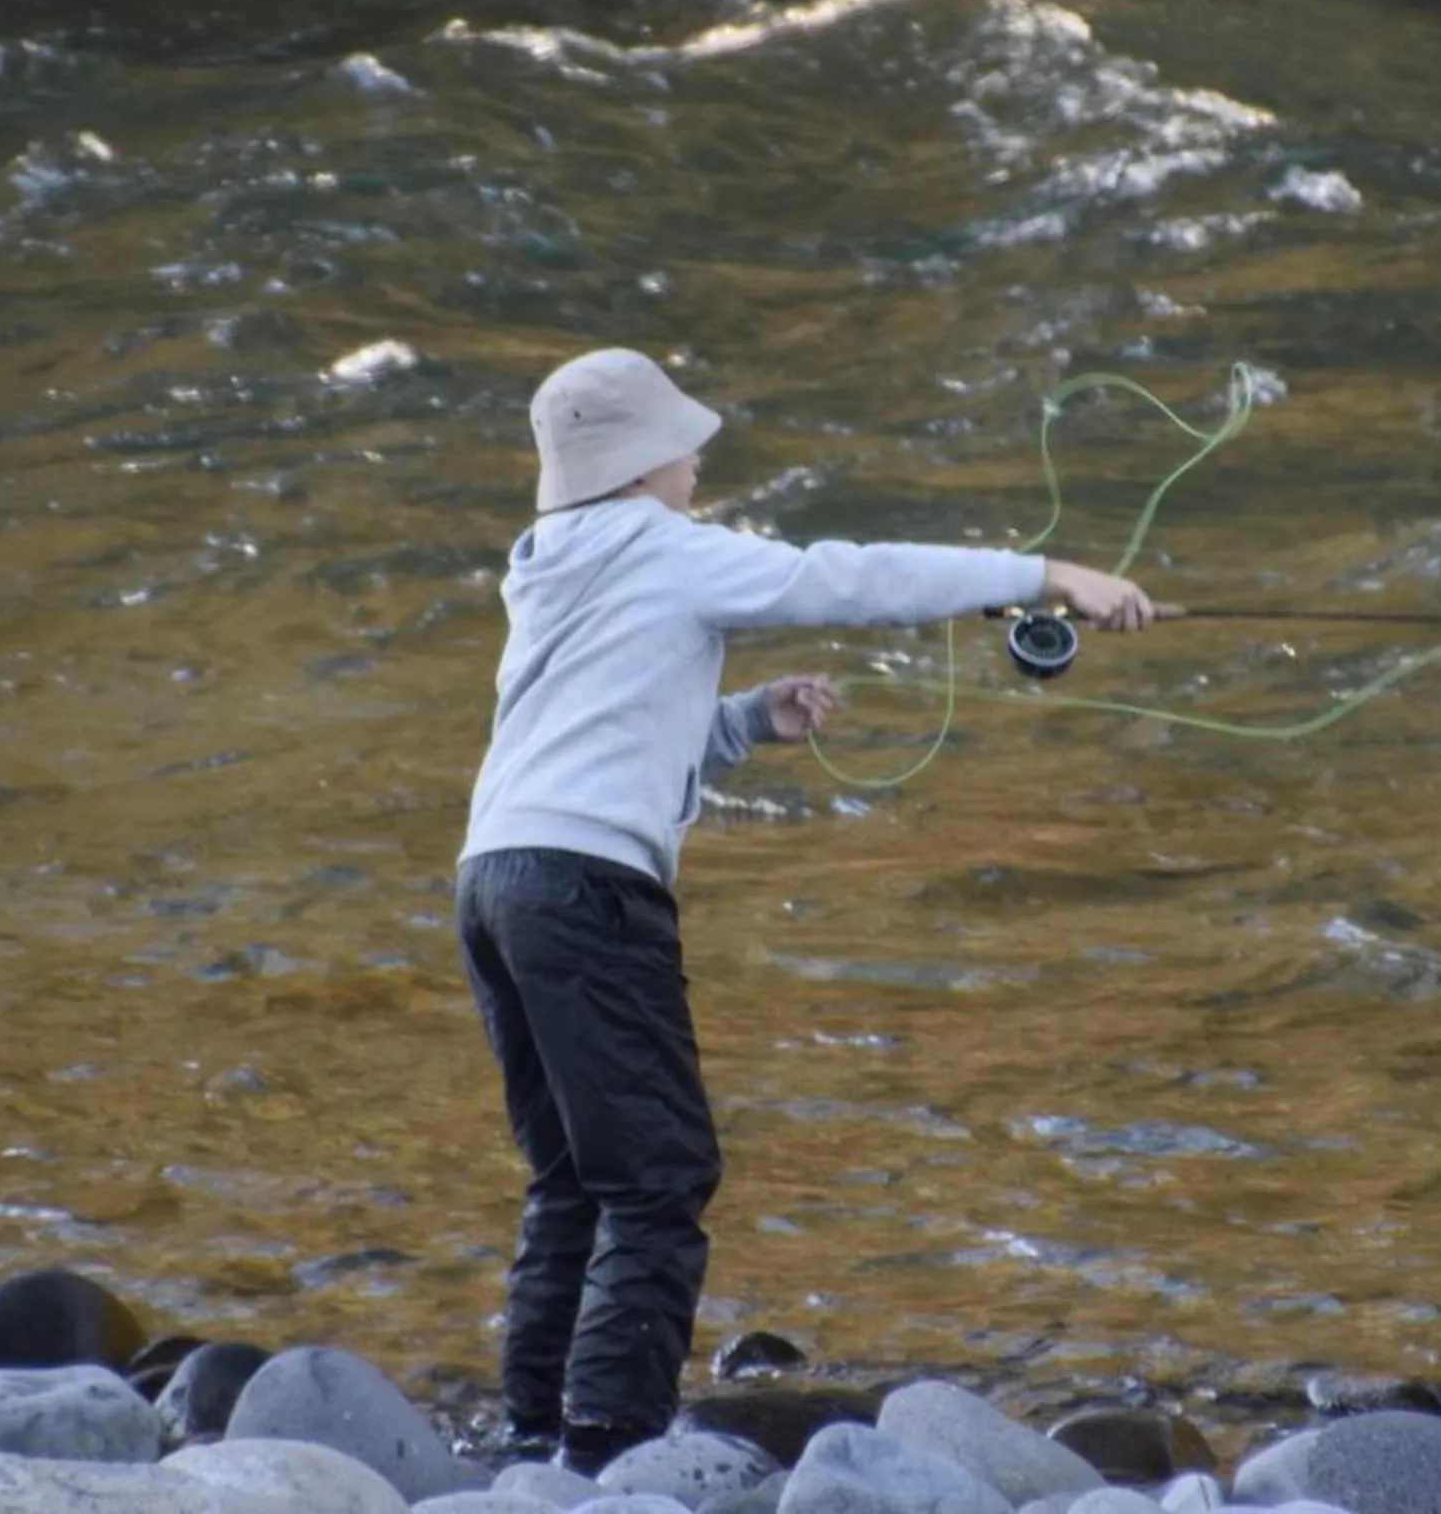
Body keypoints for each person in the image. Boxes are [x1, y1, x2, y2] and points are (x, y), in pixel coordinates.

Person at [455, 346, 1154, 1472]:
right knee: (660, 1175)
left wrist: (738, 722)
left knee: (572, 1174)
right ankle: (607, 1448)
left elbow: (584, 713)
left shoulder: (549, 563)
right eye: (685, 447)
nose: (697, 462)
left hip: (493, 877)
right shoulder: (668, 550)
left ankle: (534, 1429)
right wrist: (1047, 575)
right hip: (587, 890)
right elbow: (850, 575)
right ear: (640, 465)